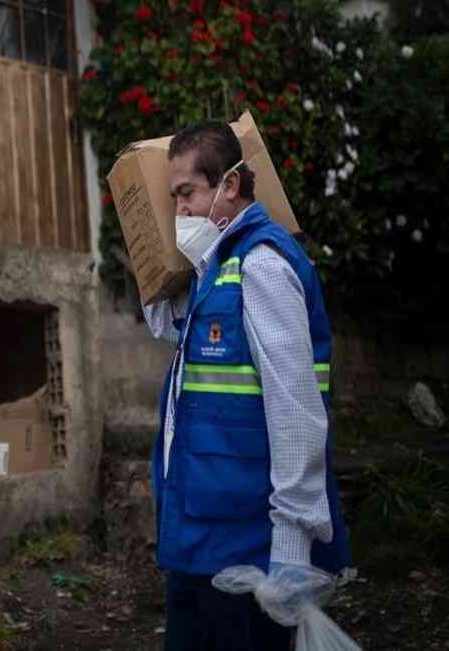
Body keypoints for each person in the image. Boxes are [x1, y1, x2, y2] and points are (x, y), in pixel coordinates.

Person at [143, 121, 350, 651]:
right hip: (198, 541)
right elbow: (168, 325)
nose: (179, 211)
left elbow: (296, 412)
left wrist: (291, 548)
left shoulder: (262, 268)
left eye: (186, 193)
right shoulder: (216, 271)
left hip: (251, 548)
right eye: (173, 198)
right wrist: (155, 266)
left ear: (229, 187)